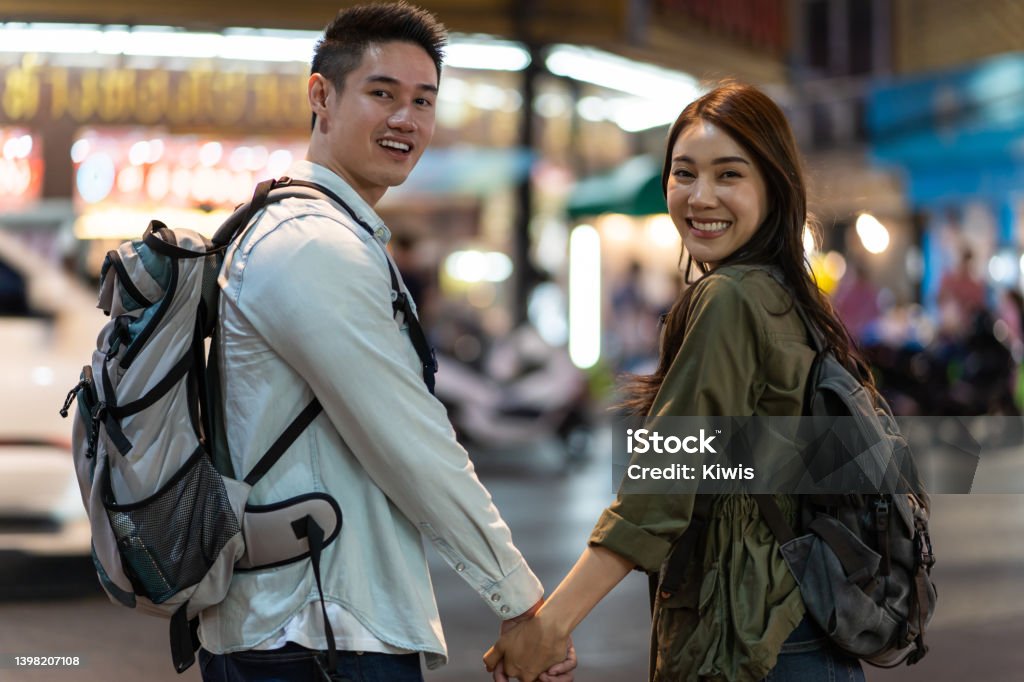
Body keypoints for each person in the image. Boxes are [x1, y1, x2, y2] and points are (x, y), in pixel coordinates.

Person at [198, 4, 576, 681]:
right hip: (315, 631)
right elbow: (410, 439)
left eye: (423, 101)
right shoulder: (312, 246)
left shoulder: (312, 231)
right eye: (382, 94)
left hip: (308, 624)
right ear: (322, 96)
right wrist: (520, 600)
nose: (406, 119)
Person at [484, 82, 874, 681]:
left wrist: (552, 623)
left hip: (755, 646)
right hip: (800, 633)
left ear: (773, 183)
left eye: (729, 175)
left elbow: (662, 482)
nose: (700, 196)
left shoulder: (732, 298)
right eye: (684, 173)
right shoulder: (785, 295)